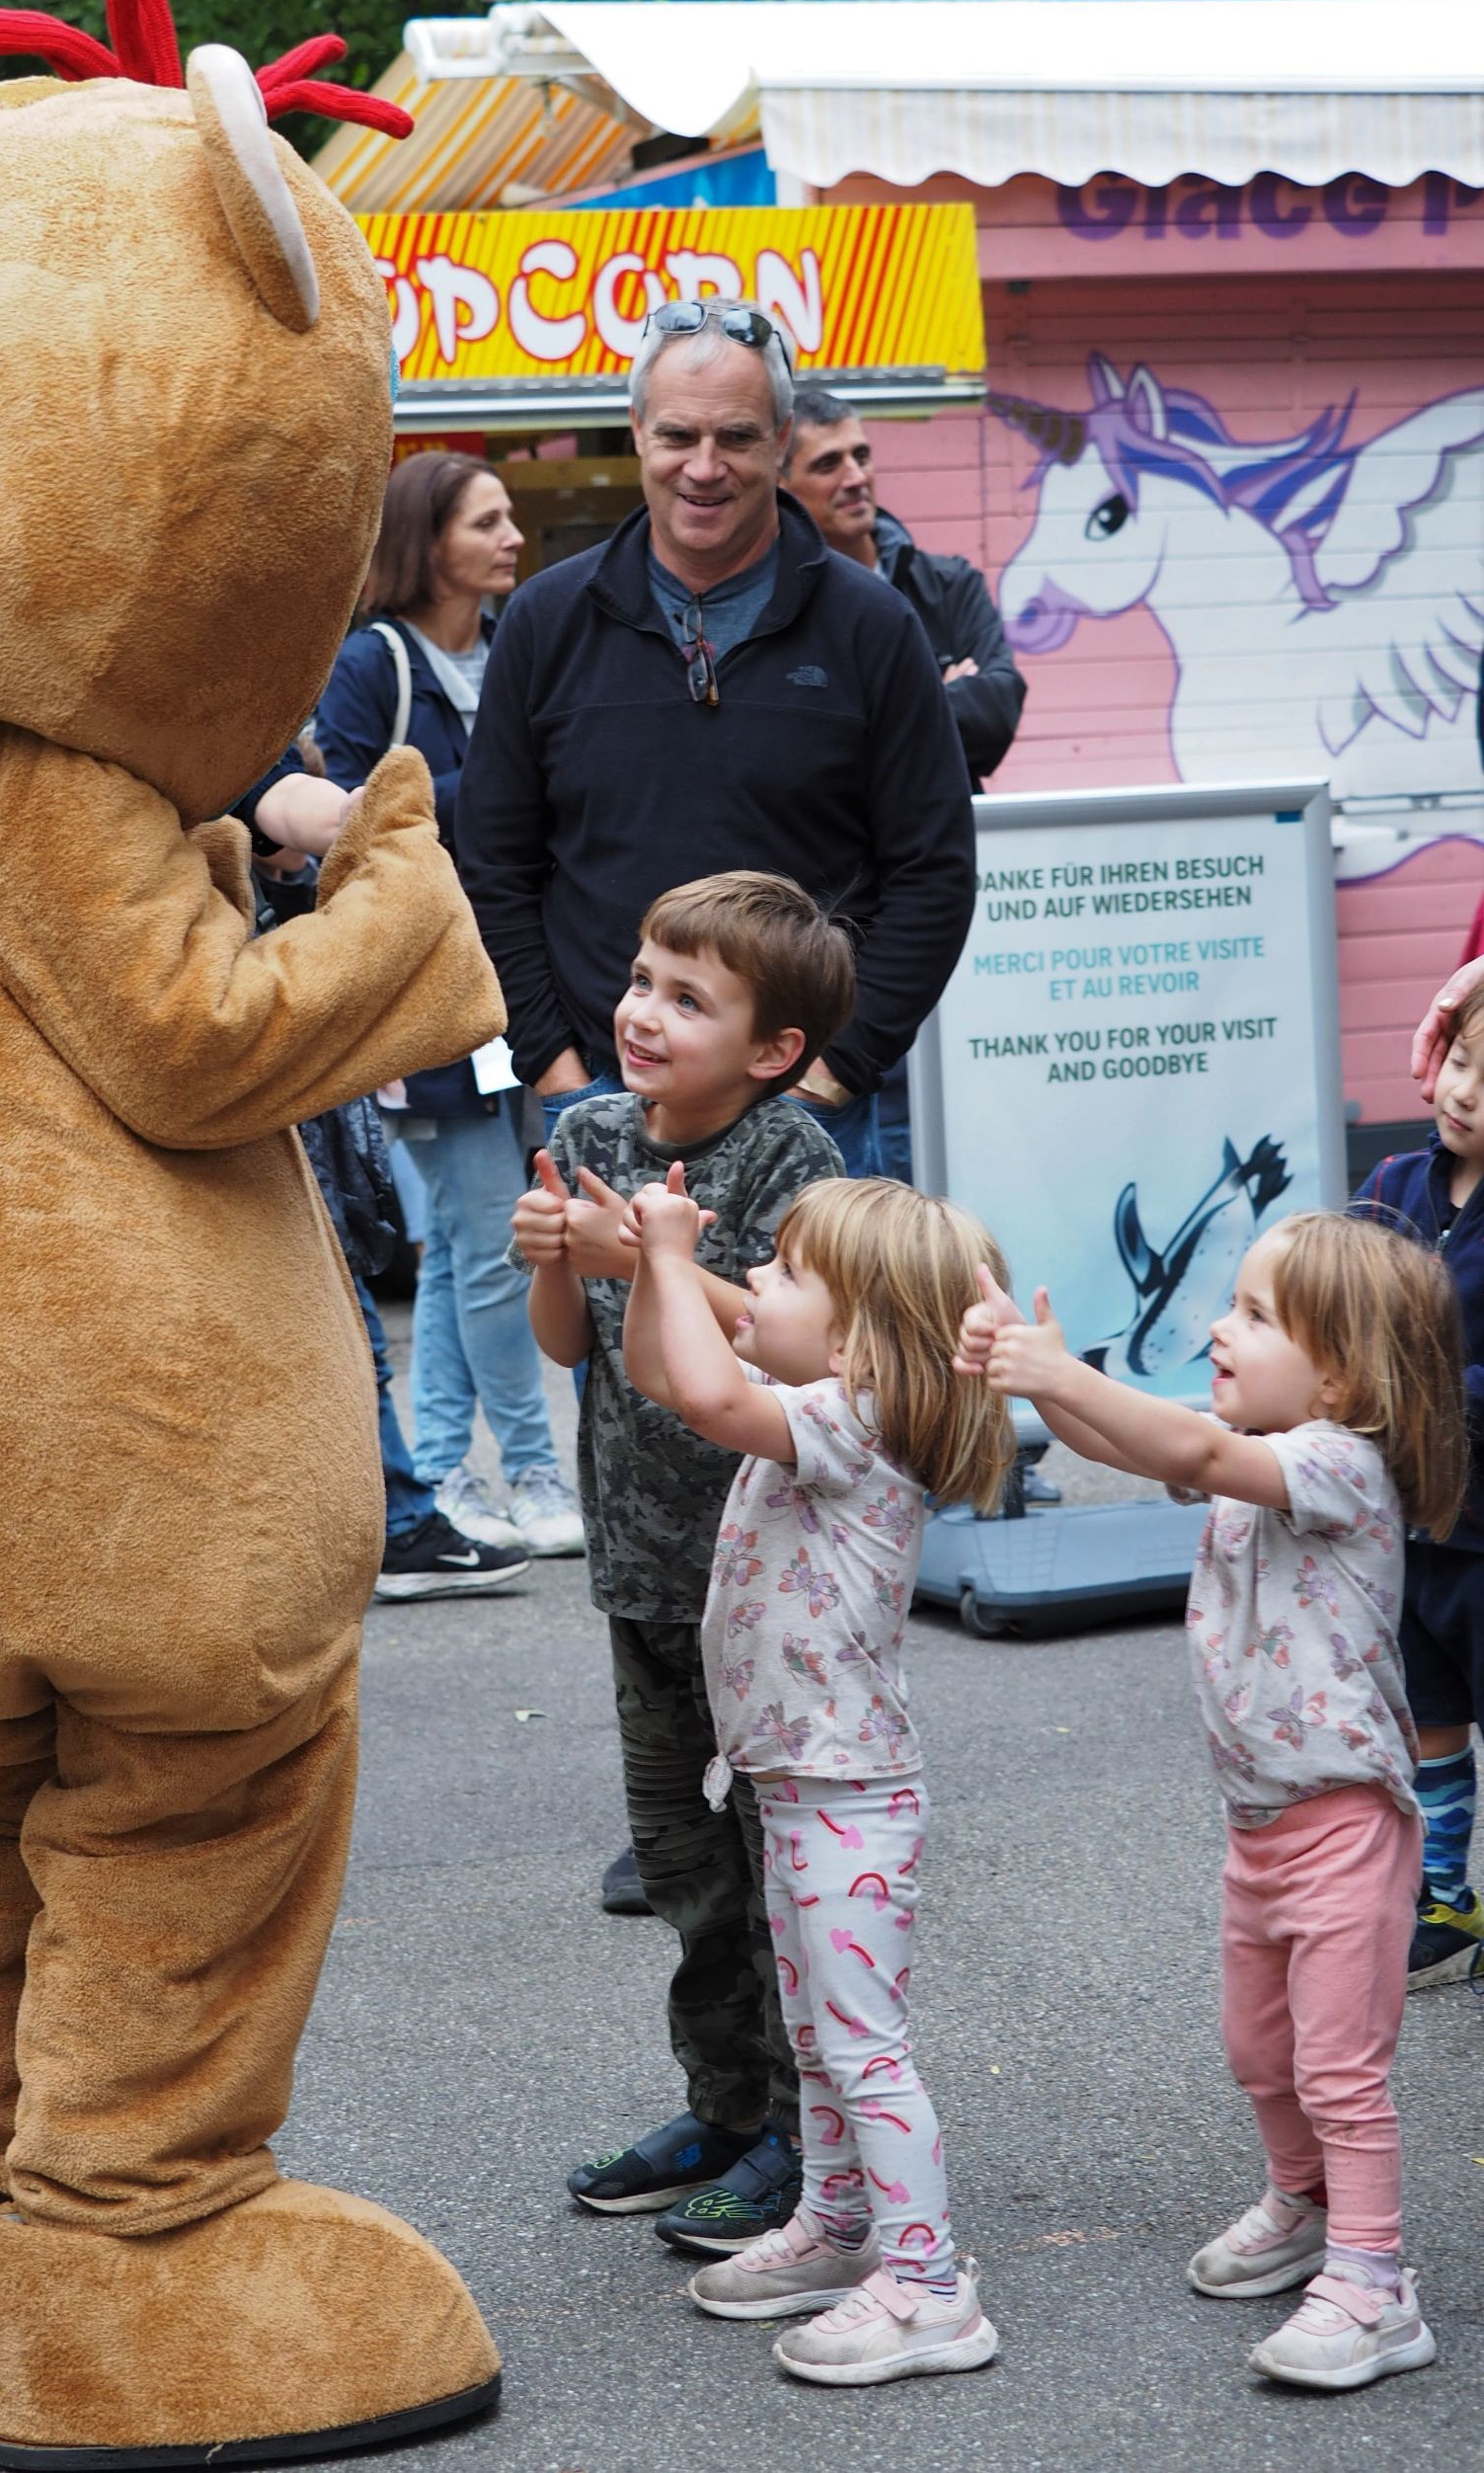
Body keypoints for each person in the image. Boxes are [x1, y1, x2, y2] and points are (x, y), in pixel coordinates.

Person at [460, 294, 977, 1908]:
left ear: (778, 445)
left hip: (803, 1109)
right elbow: (493, 858)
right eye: (675, 435)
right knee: (645, 1439)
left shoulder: (867, 627)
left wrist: (833, 1064)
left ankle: (807, 1770)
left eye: (737, 438)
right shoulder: (553, 623)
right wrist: (556, 1061)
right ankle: (676, 1797)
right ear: (637, 439)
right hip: (606, 1100)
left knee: (799, 1448)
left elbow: (928, 870)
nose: (704, 467)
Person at [959, 1213, 1465, 2393]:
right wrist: (1032, 1374)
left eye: (1249, 1316)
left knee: (1339, 2067)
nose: (1214, 1330)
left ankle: (1374, 2282)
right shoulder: (1260, 1449)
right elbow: (1149, 1450)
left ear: (1337, 1371)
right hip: (1260, 1825)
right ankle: (1300, 2205)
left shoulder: (1338, 1461)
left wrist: (1062, 1372)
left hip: (1344, 1822)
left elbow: (1183, 1451)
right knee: (1258, 2048)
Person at [620, 1170, 1011, 2386]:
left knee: (862, 2042)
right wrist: (647, 1266)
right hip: (793, 1787)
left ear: (859, 1335)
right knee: (819, 2031)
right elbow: (654, 1373)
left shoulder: (856, 1423)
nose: (759, 1285)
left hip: (847, 1793)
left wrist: (677, 1251)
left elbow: (698, 1385)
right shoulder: (817, 1400)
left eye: (786, 1274)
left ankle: (928, 2283)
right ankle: (842, 2227)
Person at [513, 870, 856, 2252]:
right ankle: (720, 2110)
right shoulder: (591, 1124)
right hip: (642, 1578)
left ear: (772, 1048)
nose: (645, 1012)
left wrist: (648, 1255)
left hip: (764, 1589)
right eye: (645, 978)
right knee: (685, 1871)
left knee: (778, 1868)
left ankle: (799, 2133)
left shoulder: (794, 1164)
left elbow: (810, 1349)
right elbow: (564, 1343)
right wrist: (560, 1257)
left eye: (688, 997)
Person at [313, 452, 583, 1561]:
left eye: (512, 518)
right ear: (427, 542)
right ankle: (526, 1470)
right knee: (487, 1244)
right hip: (426, 993)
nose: (512, 537)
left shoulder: (517, 644)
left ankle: (442, 1470)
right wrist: (516, 788)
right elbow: (357, 817)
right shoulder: (371, 659)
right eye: (488, 521)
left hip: (517, 976)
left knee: (480, 1239)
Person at [231, 740, 532, 1602]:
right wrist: (351, 817)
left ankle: (415, 1490)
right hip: (263, 1100)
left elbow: (285, 816)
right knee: (374, 1304)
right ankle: (401, 1510)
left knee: (417, 1276)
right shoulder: (219, 768)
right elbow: (280, 801)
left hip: (306, 1095)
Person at [779, 384, 1027, 1191]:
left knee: (965, 1137)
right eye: (827, 463)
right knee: (870, 1177)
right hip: (845, 931)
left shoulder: (944, 581)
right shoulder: (782, 604)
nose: (854, 475)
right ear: (783, 484)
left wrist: (877, 715)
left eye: (860, 453)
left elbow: (999, 707)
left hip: (939, 908)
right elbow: (801, 748)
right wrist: (932, 693)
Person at [1355, 984, 1484, 1987]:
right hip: (1407, 1516)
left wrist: (1424, 1393)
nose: (1465, 1092)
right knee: (1426, 1710)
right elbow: (1340, 1303)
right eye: (1458, 1061)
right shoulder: (1392, 1180)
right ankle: (1441, 1891)